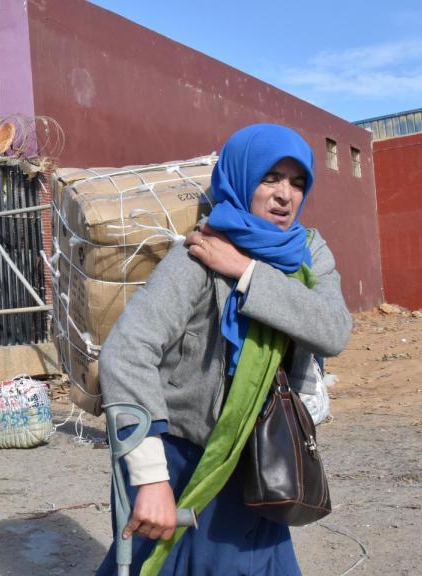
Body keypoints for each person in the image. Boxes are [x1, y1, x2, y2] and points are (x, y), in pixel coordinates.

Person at [96, 124, 352, 575]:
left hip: (259, 461)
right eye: (270, 178)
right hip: (186, 461)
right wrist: (151, 477)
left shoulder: (309, 252)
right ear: (240, 177)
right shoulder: (198, 253)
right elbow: (127, 350)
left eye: (297, 182)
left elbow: (332, 330)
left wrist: (248, 271)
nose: (284, 195)